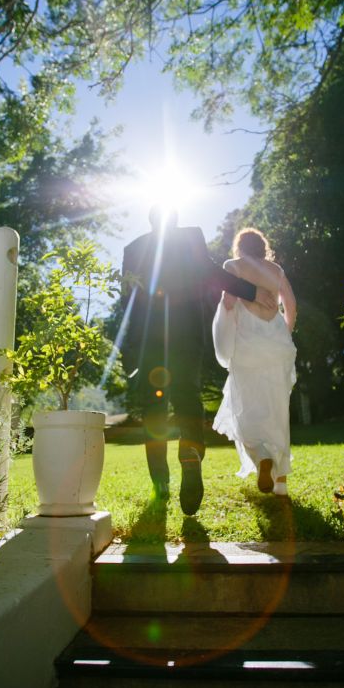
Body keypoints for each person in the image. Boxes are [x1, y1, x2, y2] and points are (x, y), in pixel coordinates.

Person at [120, 207, 277, 515]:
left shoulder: (133, 249)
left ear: (150, 219)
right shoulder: (190, 237)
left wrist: (129, 352)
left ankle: (160, 482)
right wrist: (251, 291)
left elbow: (128, 303)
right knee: (188, 398)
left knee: (154, 409)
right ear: (175, 218)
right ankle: (190, 453)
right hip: (187, 336)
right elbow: (211, 273)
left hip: (150, 343)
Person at [212, 227, 297, 499]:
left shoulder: (232, 266)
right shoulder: (276, 271)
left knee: (245, 408)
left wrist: (224, 324)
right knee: (278, 411)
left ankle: (262, 457)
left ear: (240, 247)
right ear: (263, 247)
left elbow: (228, 301)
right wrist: (285, 334)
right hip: (276, 346)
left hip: (247, 348)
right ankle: (281, 482)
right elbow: (291, 304)